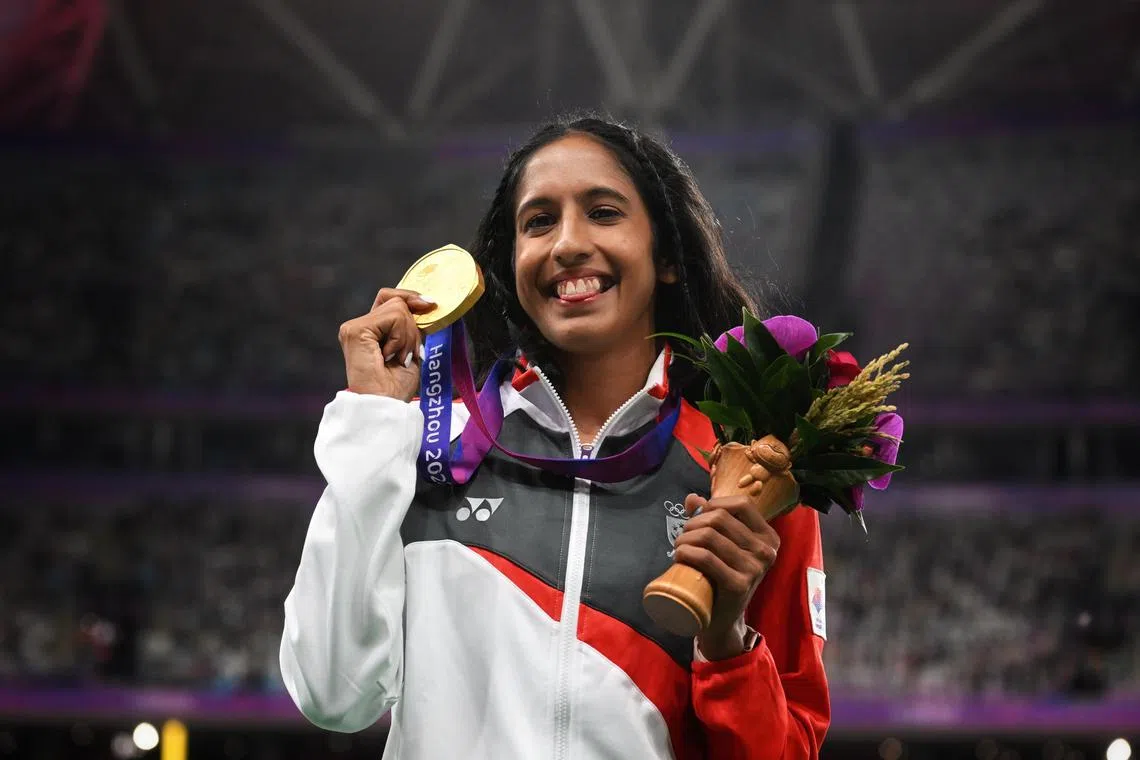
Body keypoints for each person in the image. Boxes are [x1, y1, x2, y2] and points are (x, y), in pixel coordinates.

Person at [280, 116, 830, 759]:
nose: (567, 243)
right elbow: (333, 694)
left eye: (602, 213)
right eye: (538, 222)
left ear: (669, 258)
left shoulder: (747, 477)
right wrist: (372, 426)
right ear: (512, 266)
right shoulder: (434, 444)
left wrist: (727, 641)